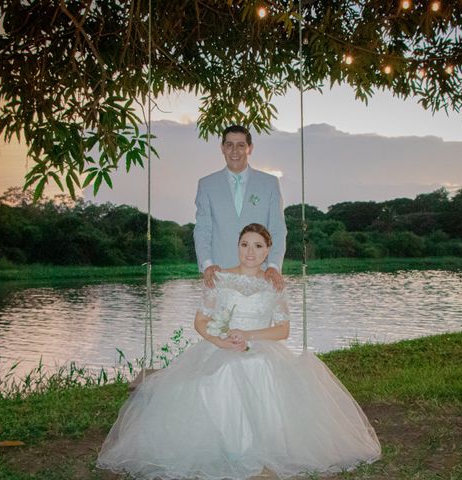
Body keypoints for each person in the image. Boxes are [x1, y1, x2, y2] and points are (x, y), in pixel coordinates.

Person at [97, 223, 381, 479]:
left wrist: (249, 335)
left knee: (256, 365)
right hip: (221, 345)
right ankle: (230, 445)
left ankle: (261, 445)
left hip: (262, 346)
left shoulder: (274, 284)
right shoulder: (218, 278)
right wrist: (221, 341)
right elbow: (200, 321)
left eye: (258, 245)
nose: (250, 251)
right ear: (238, 246)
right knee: (228, 367)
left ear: (268, 250)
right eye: (245, 244)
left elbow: (283, 330)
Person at [194, 125, 287, 291]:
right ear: (222, 148)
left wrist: (273, 266)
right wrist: (207, 265)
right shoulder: (206, 185)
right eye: (229, 145)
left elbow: (277, 229)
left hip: (261, 275)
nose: (234, 150)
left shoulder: (270, 183)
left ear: (249, 148)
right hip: (219, 276)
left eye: (240, 145)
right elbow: (202, 230)